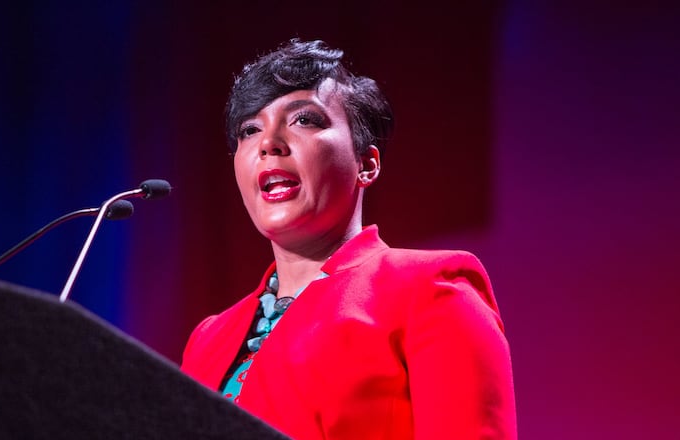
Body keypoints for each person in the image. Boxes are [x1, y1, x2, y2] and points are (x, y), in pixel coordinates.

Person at [181, 39, 517, 439]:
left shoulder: (429, 290)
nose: (268, 144)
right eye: (249, 130)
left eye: (304, 120)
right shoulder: (208, 339)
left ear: (366, 163)